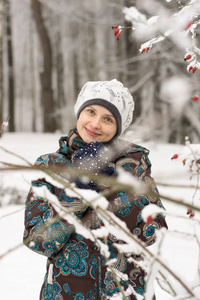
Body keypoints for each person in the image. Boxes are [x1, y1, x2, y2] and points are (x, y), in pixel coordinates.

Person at [23, 79, 167, 300]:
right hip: (66, 292)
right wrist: (78, 194)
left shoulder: (134, 166)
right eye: (90, 111)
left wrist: (111, 188)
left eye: (108, 119)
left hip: (125, 292)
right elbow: (39, 241)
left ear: (118, 128)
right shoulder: (50, 166)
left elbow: (153, 232)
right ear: (79, 112)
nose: (95, 123)